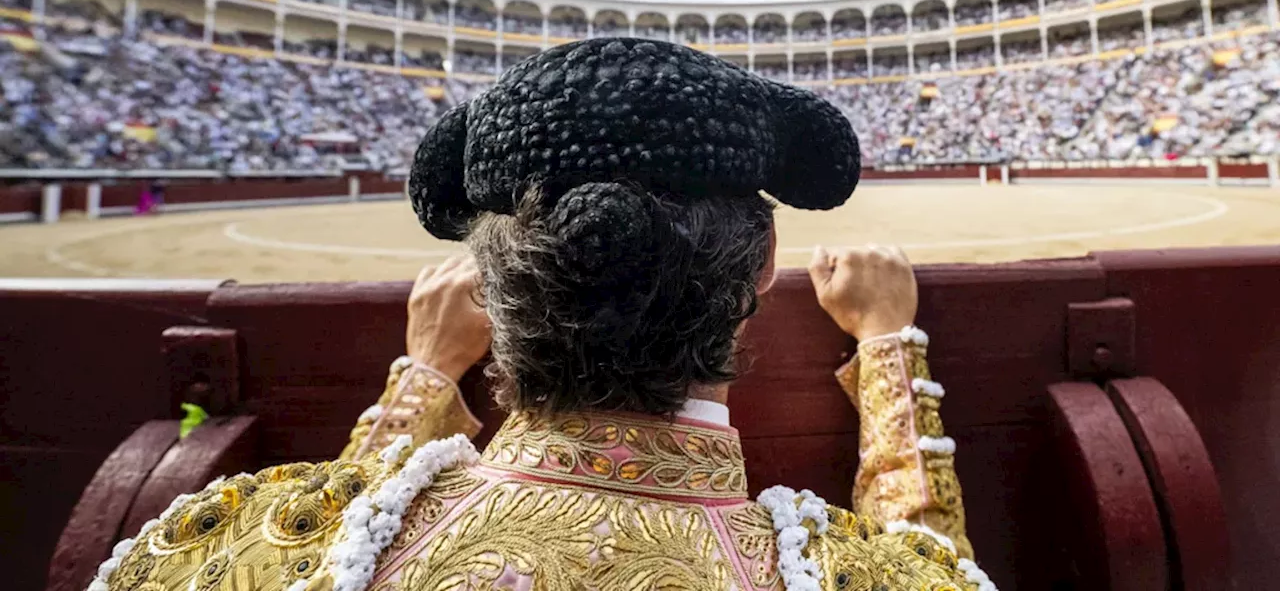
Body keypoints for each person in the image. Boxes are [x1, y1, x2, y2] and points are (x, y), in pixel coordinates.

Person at [91, 39, 994, 591]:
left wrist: (422, 380)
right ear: (763, 266)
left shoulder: (246, 542)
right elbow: (934, 568)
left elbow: (335, 545)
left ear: (489, 289)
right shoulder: (863, 577)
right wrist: (888, 349)